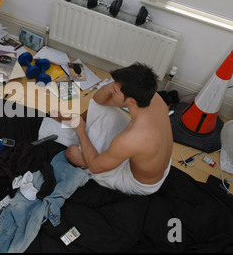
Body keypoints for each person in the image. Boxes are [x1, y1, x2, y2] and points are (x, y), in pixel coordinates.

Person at [65, 62, 173, 195]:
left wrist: (80, 130)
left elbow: (94, 166)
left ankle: (77, 123)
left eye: (115, 91)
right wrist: (118, 83)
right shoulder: (152, 97)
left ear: (131, 101)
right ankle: (76, 122)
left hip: (139, 182)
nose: (110, 90)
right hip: (151, 159)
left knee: (72, 152)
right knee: (99, 107)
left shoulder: (132, 138)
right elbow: (98, 100)